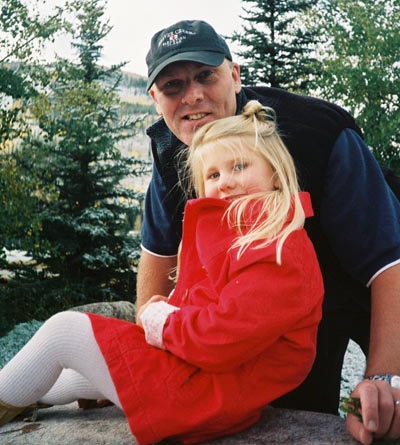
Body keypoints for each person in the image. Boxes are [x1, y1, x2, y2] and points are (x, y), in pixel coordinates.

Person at [139, 19, 400, 445]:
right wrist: (144, 362)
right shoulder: (172, 149)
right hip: (273, 300)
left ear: (235, 74)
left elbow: (389, 259)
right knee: (289, 414)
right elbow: (159, 254)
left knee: (385, 408)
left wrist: (386, 376)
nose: (193, 96)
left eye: (206, 75)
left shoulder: (317, 130)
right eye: (172, 87)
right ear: (154, 99)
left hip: (364, 278)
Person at [0, 102, 323, 445]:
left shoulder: (277, 248)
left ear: (275, 172)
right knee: (89, 375)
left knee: (65, 331)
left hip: (208, 393)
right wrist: (171, 308)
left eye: (239, 166)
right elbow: (210, 304)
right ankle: (24, 397)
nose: (225, 183)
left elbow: (224, 337)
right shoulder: (241, 234)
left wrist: (164, 322)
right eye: (213, 175)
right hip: (204, 378)